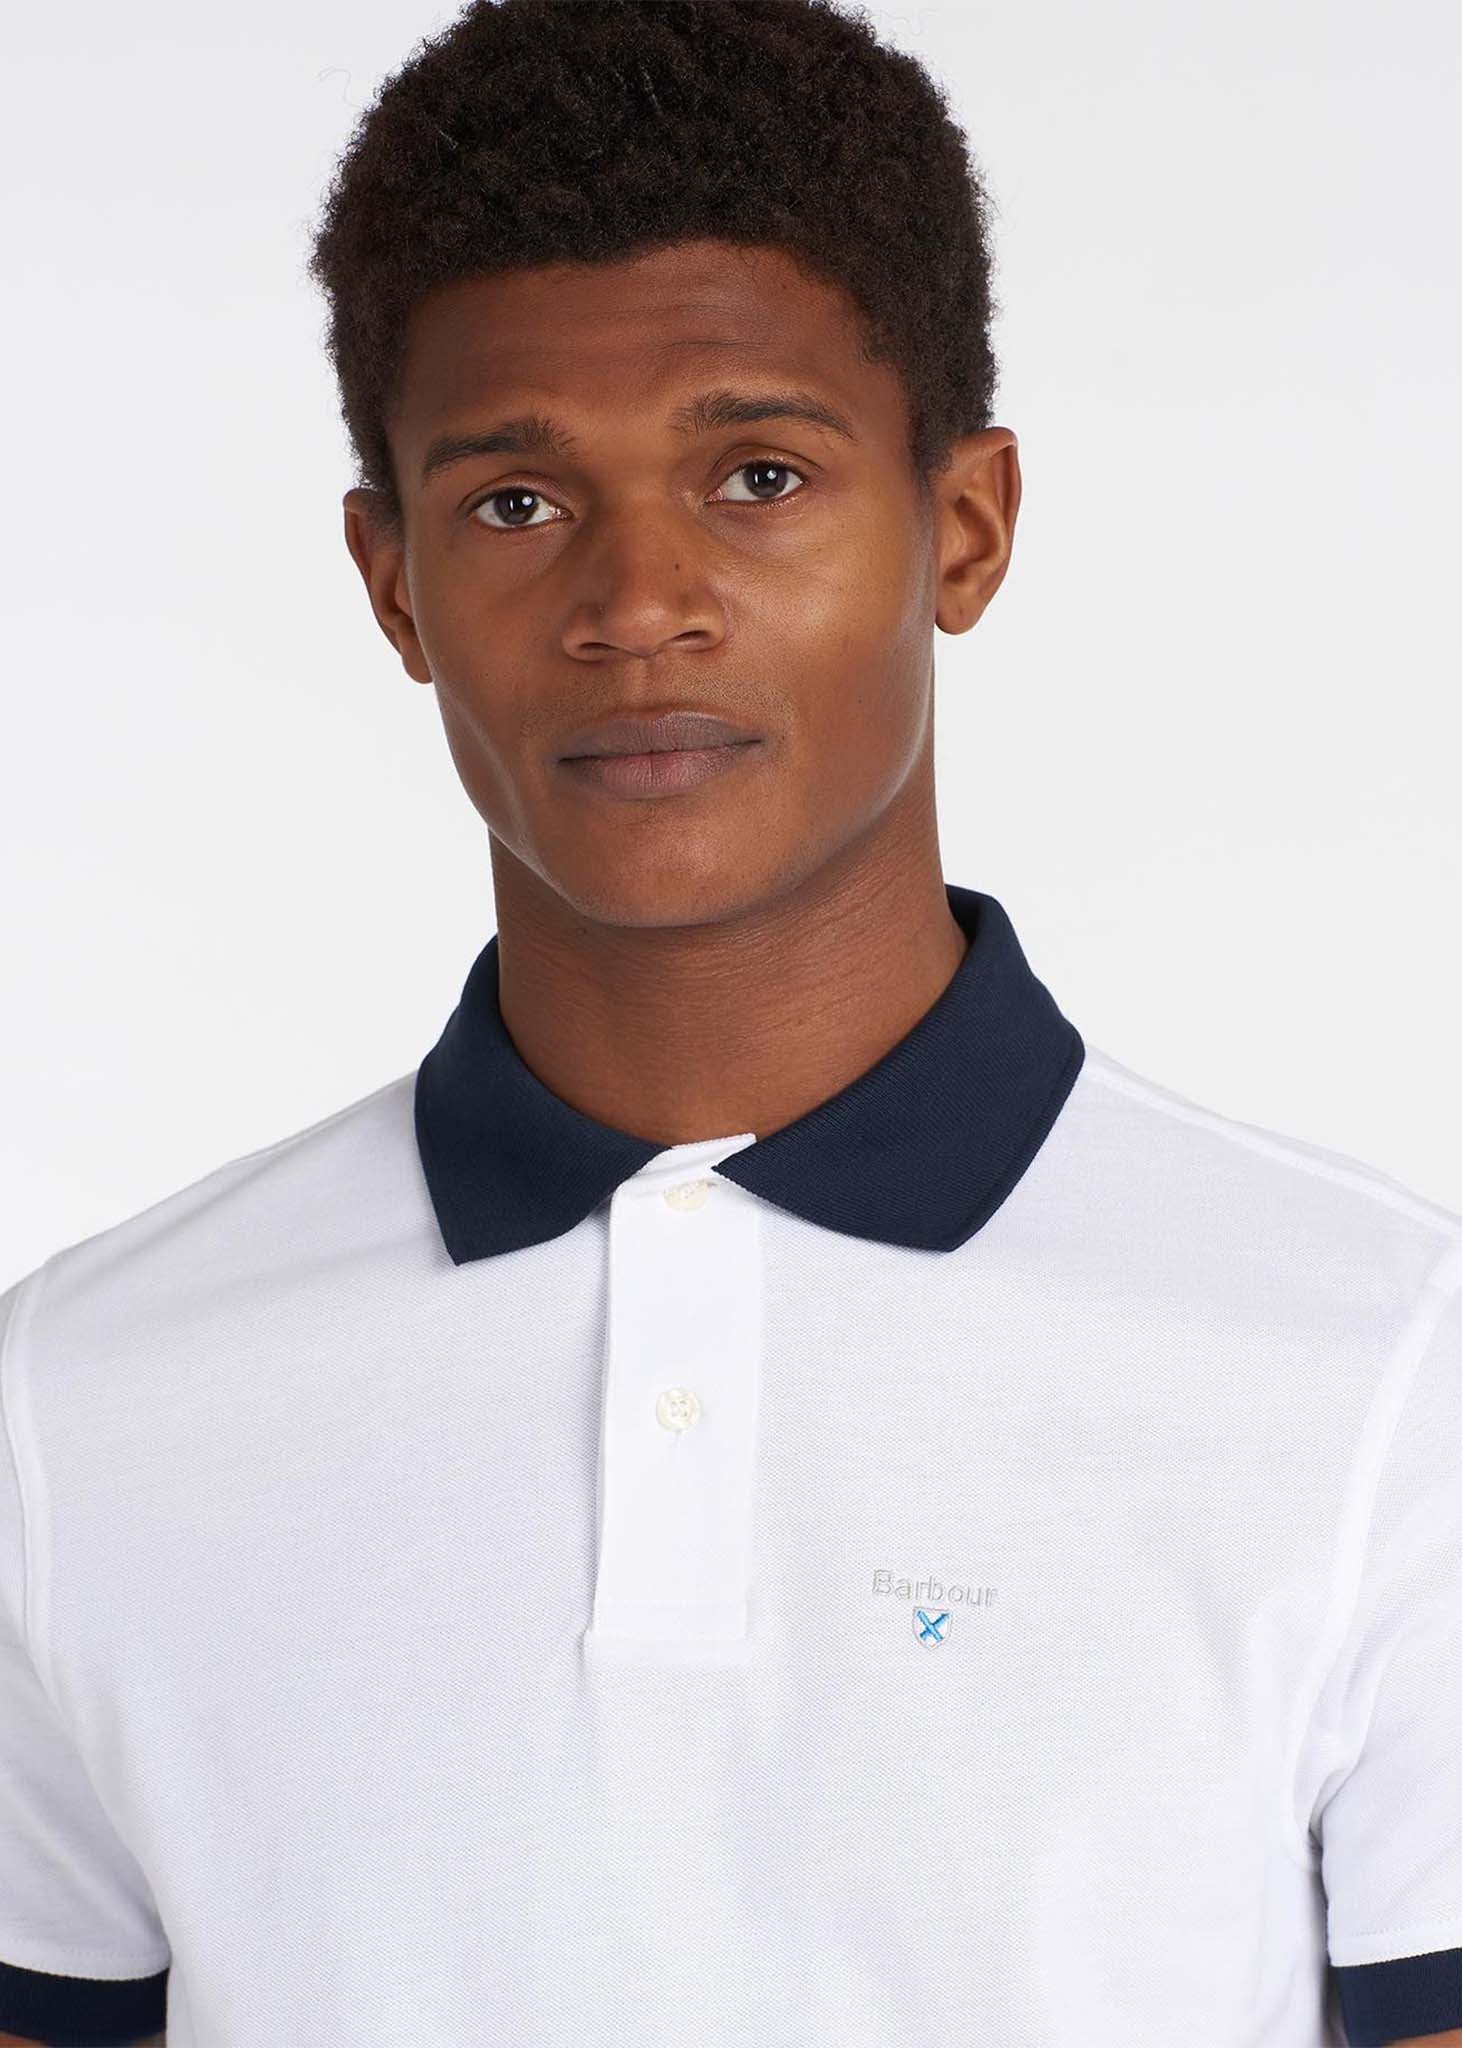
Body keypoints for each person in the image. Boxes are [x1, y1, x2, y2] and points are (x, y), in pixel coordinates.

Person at [2, 3, 1459, 2044]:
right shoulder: (75, 1407)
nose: (636, 601)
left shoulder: (1387, 1370)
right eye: (516, 504)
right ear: (390, 580)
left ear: (963, 527)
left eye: (757, 475)